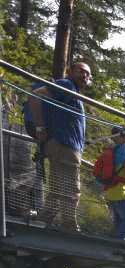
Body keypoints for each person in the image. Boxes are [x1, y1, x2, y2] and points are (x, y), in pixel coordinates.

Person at [28, 60, 92, 232]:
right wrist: (40, 127)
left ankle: (43, 221)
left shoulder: (72, 91)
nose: (85, 75)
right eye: (81, 71)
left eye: (88, 74)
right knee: (71, 188)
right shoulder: (67, 85)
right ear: (70, 72)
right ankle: (70, 226)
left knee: (57, 190)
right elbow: (35, 96)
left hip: (64, 145)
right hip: (65, 146)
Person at [104, 127, 125, 240]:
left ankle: (115, 242)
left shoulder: (113, 149)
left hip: (111, 190)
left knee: (119, 221)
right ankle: (118, 244)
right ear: (122, 136)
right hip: (121, 190)